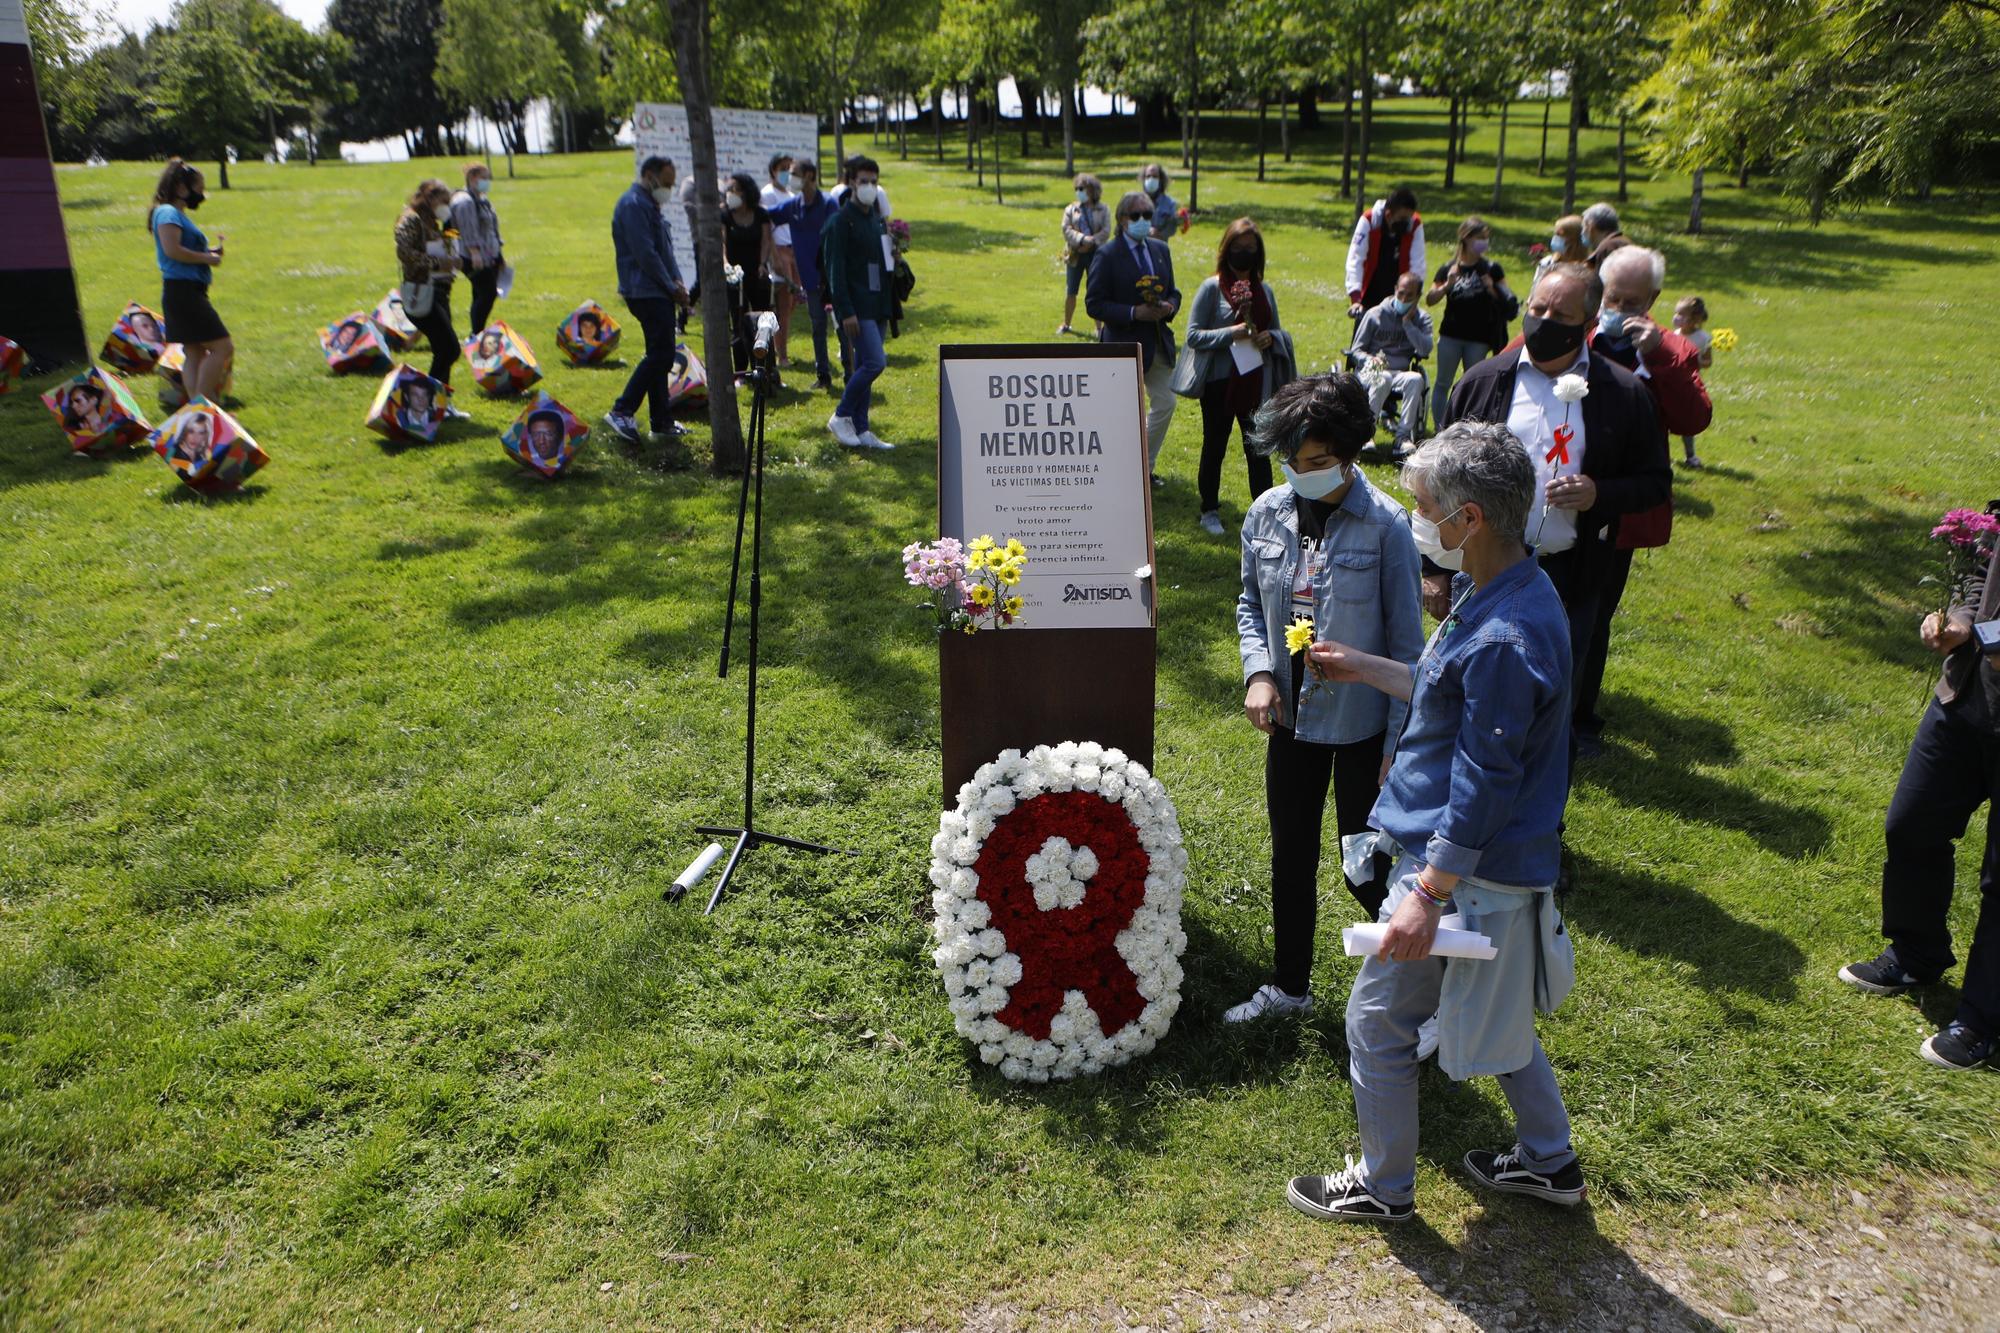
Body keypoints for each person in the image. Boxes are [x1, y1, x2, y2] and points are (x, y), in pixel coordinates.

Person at [1286, 420, 1583, 1223]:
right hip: (1499, 865)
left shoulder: (1503, 632)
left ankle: (1384, 1188)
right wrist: (1369, 666)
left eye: (1426, 507)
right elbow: (1445, 687)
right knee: (1496, 1011)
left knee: (1377, 1021)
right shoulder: (1509, 587)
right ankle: (1550, 1162)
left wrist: (1426, 890)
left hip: (1463, 870)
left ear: (1470, 519)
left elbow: (1487, 776)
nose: (1420, 519)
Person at [1229, 373, 1425, 1024]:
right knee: (1291, 854)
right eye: (1291, 462)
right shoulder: (1267, 513)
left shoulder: (1387, 526)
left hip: (1365, 730)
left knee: (1365, 867)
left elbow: (1407, 648)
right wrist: (1260, 672)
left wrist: (1396, 749)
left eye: (1317, 462)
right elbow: (1251, 604)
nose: (1302, 474)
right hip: (1293, 719)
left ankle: (1421, 997)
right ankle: (1290, 988)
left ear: (1349, 452)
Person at [1438, 263, 1670, 799]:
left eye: (1560, 315)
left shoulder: (1622, 393)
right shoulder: (1482, 382)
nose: (1543, 321)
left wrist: (1599, 494)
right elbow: (1439, 482)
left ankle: (1542, 834)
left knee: (1550, 709)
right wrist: (1434, 569)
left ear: (1589, 322)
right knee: (1465, 692)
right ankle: (1457, 821)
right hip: (1482, 572)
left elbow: (1655, 481)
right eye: (1537, 310)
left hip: (1568, 573)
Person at [1841, 515, 2000, 1071]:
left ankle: (1982, 1017)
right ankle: (1918, 953)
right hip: (1965, 700)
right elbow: (1980, 572)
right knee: (1912, 825)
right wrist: (1960, 621)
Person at [1569, 246, 1711, 753]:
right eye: (1612, 298)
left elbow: (1694, 418)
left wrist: (1658, 356)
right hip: (1557, 494)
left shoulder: (1671, 349)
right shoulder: (1575, 330)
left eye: (1632, 301)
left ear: (1652, 300)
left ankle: (1579, 719)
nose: (1620, 309)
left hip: (1619, 508)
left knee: (1596, 610)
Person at [1182, 218, 1295, 535]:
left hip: (1255, 381)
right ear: (1226, 248)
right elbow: (1193, 336)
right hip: (1219, 384)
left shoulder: (1265, 290)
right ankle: (1209, 510)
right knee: (1214, 446)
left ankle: (1264, 511)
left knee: (1258, 450)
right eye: (1238, 247)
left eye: (1250, 248)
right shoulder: (1211, 288)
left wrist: (1269, 338)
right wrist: (1232, 333)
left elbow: (1276, 330)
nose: (1243, 253)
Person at [1087, 191, 1181, 489]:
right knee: (1123, 414)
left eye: (1147, 216)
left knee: (1165, 402)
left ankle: (1143, 466)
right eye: (1136, 216)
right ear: (1122, 219)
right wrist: (1132, 312)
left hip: (1157, 341)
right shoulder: (1107, 254)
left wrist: (1169, 307)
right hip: (1122, 346)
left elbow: (1174, 292)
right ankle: (1123, 469)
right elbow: (1094, 304)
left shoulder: (1159, 249)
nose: (1143, 221)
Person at [606, 155, 694, 446]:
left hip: (660, 290)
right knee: (662, 355)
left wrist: (679, 284)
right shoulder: (633, 205)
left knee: (660, 353)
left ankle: (661, 421)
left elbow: (665, 252)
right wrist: (670, 286)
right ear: (649, 176)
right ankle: (622, 410)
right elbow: (645, 255)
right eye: (666, 183)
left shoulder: (650, 205)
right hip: (645, 290)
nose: (668, 189)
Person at [824, 154, 895, 451]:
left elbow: (882, 260)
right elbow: (835, 270)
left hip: (877, 304)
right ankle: (841, 415)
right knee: (876, 363)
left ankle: (862, 427)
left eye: (874, 182)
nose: (869, 186)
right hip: (856, 307)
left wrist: (895, 253)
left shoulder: (875, 220)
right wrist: (846, 311)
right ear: (851, 182)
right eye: (863, 181)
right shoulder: (841, 221)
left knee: (866, 364)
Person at [148, 159, 233, 405]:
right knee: (222, 347)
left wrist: (209, 252)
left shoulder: (176, 214)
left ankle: (198, 411)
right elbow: (172, 251)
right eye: (198, 187)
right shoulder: (167, 213)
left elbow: (181, 249)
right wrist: (207, 258)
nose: (201, 194)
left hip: (187, 291)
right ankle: (205, 407)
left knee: (195, 351)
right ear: (181, 188)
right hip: (183, 292)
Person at [393, 179, 471, 418]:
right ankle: (426, 404)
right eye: (443, 201)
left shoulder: (433, 221)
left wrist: (450, 224)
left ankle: (441, 406)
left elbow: (450, 249)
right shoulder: (411, 219)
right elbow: (404, 253)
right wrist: (438, 263)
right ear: (429, 197)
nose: (446, 205)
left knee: (442, 350)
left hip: (440, 291)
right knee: (450, 348)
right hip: (422, 293)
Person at [1426, 216, 1513, 427]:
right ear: (1466, 238)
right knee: (1443, 383)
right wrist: (1447, 285)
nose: (1483, 242)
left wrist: (1491, 287)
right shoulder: (1449, 268)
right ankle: (1440, 428)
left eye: (1485, 238)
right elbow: (1430, 299)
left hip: (1479, 339)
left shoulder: (1492, 269)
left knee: (1474, 384)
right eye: (1479, 238)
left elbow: (1508, 302)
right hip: (1450, 336)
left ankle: (1466, 428)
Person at [769, 158, 840, 392]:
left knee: (842, 326)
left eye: (795, 173)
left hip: (834, 276)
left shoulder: (829, 204)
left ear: (810, 175)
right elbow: (768, 215)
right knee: (817, 326)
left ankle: (850, 372)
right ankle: (823, 375)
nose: (791, 178)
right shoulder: (793, 206)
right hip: (811, 280)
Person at [1349, 271, 1434, 453]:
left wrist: (1408, 324)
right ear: (1395, 290)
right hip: (1371, 371)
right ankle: (1367, 434)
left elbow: (1426, 349)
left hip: (1400, 373)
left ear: (1418, 297)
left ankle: (1402, 438)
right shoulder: (1375, 314)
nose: (1403, 299)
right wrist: (1370, 358)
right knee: (1383, 377)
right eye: (1401, 293)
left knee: (1415, 379)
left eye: (1409, 295)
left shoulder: (1422, 319)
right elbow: (1355, 350)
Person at [721, 171, 776, 384]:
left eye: (733, 189)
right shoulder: (724, 215)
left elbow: (765, 241)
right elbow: (722, 241)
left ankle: (766, 368)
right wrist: (726, 265)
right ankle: (741, 371)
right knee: (738, 321)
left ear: (745, 192)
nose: (729, 194)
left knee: (764, 320)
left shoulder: (760, 214)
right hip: (735, 276)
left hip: (756, 273)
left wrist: (763, 264)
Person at [1345, 186, 1426, 320]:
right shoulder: (1369, 220)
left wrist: (1413, 300)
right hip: (1370, 292)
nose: (1407, 222)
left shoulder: (1415, 224)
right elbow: (1355, 259)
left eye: (1409, 218)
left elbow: (1418, 264)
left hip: (1400, 295)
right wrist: (1356, 298)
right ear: (1388, 214)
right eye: (1402, 218)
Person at [450, 162, 505, 333]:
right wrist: (475, 253)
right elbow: (468, 230)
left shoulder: (482, 199)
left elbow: (491, 227)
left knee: (480, 293)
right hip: (472, 256)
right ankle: (477, 334)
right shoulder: (464, 202)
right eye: (484, 178)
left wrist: (499, 254)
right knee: (488, 293)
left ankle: (477, 333)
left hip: (489, 254)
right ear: (473, 178)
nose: (487, 182)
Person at [760, 153, 801, 367]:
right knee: (783, 304)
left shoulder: (792, 195)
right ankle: (781, 355)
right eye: (782, 168)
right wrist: (774, 256)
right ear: (773, 170)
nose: (786, 173)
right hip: (781, 250)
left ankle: (779, 346)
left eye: (789, 168)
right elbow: (766, 229)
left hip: (795, 251)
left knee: (793, 302)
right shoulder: (767, 194)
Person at [1059, 173, 1111, 336]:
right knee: (1071, 290)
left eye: (1082, 188)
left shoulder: (1103, 209)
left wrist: (1091, 241)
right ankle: (1067, 324)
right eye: (1077, 188)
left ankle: (1099, 328)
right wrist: (1081, 240)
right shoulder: (1071, 209)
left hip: (1095, 254)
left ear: (1092, 190)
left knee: (1095, 290)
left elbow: (1106, 230)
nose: (1079, 191)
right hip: (1075, 254)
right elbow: (1066, 229)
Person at [1670, 296, 1714, 467]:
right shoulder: (1673, 335)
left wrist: (1696, 360)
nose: (1676, 317)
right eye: (1676, 313)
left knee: (1685, 421)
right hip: (1671, 382)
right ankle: (1661, 454)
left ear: (1695, 319)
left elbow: (1708, 362)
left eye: (1682, 314)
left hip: (1689, 384)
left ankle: (1690, 456)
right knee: (1664, 419)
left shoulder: (1703, 338)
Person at [1534, 215, 1588, 281]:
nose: (1555, 238)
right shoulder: (1546, 263)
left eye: (1560, 235)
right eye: (1555, 234)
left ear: (1575, 239)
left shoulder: (1588, 267)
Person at [1139, 164, 1179, 244]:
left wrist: (1159, 234)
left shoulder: (1170, 203)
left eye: (1155, 176)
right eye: (1148, 176)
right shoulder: (1135, 201)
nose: (1151, 179)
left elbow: (1172, 228)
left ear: (1160, 180)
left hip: (1160, 248)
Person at [1581, 202, 1626, 269]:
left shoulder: (1606, 249)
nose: (1582, 232)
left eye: (1584, 226)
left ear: (1591, 227)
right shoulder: (1623, 242)